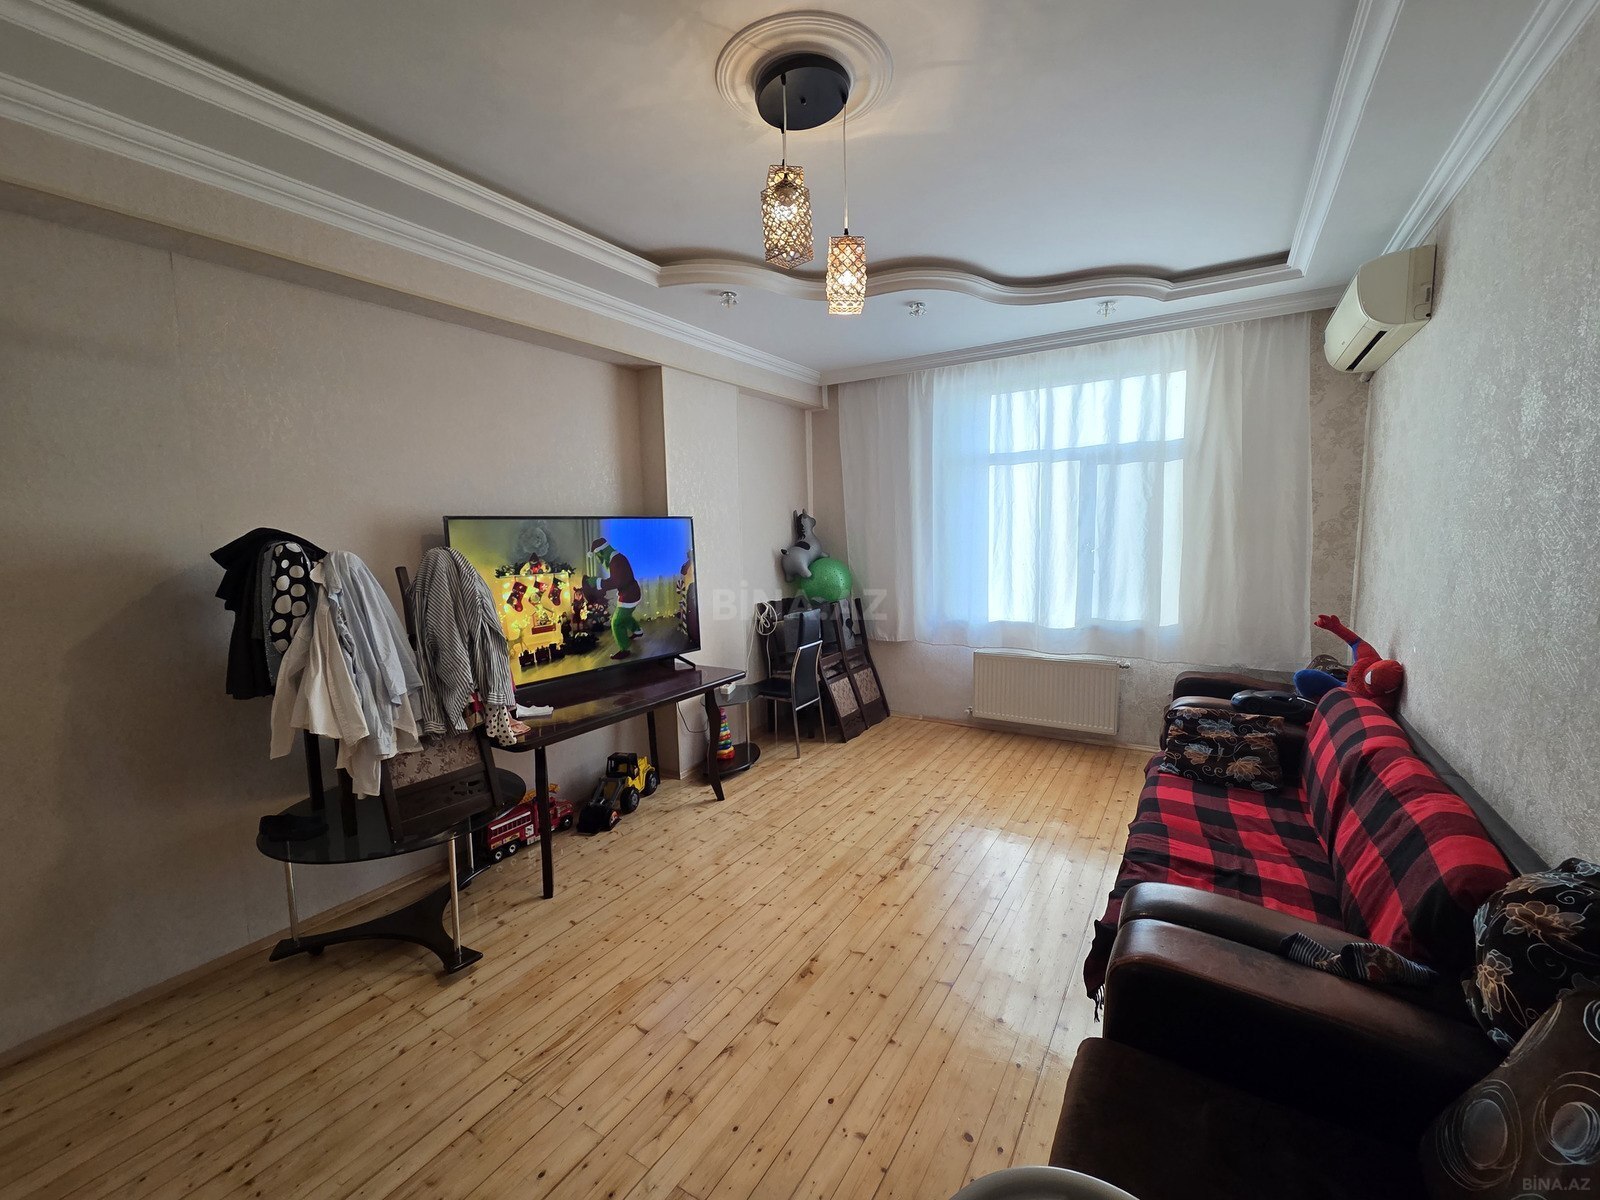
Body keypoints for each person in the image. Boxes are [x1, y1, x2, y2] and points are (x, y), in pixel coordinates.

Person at [587, 537, 645, 660]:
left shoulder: (616, 561)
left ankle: (624, 649)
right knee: (625, 615)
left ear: (602, 552)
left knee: (616, 622)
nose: (599, 560)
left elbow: (616, 582)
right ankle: (637, 631)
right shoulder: (617, 559)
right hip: (630, 592)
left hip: (629, 595)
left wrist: (597, 582)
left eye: (598, 556)